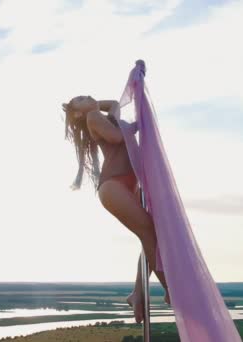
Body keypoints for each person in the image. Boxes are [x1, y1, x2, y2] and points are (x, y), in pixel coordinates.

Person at [62, 95, 170, 323]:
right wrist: (135, 125)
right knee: (149, 233)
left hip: (124, 185)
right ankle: (169, 289)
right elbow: (118, 136)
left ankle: (137, 293)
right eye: (80, 99)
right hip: (114, 185)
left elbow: (113, 104)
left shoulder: (101, 115)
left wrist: (91, 104)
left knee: (149, 235)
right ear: (79, 114)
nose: (86, 95)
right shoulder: (93, 117)